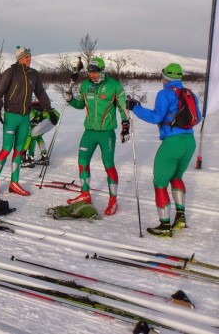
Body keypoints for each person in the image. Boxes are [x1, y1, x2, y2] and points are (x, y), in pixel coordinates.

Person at [127, 63, 201, 237]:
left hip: (172, 143)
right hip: (189, 142)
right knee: (176, 177)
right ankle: (181, 217)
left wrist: (134, 108)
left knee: (159, 183)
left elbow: (155, 117)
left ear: (165, 77)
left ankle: (165, 225)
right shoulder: (190, 93)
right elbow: (196, 118)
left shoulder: (165, 93)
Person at [64, 57, 129, 216]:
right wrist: (71, 99)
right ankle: (85, 194)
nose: (91, 75)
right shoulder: (86, 86)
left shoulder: (114, 85)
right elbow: (80, 104)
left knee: (108, 164)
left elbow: (123, 107)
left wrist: (125, 126)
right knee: (82, 161)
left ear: (102, 71)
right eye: (89, 72)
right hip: (89, 132)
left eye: (94, 72)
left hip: (106, 133)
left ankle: (113, 200)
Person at [0, 47, 57, 196]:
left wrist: (49, 110)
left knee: (19, 150)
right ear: (20, 58)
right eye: (27, 57)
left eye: (30, 56)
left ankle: (14, 183)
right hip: (11, 116)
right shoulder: (11, 72)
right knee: (7, 148)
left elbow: (40, 93)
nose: (29, 59)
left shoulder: (34, 74)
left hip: (25, 117)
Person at [21, 101, 59, 167]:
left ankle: (28, 157)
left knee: (31, 135)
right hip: (54, 117)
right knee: (37, 136)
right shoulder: (36, 108)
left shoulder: (30, 109)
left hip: (49, 118)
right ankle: (44, 156)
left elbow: (30, 118)